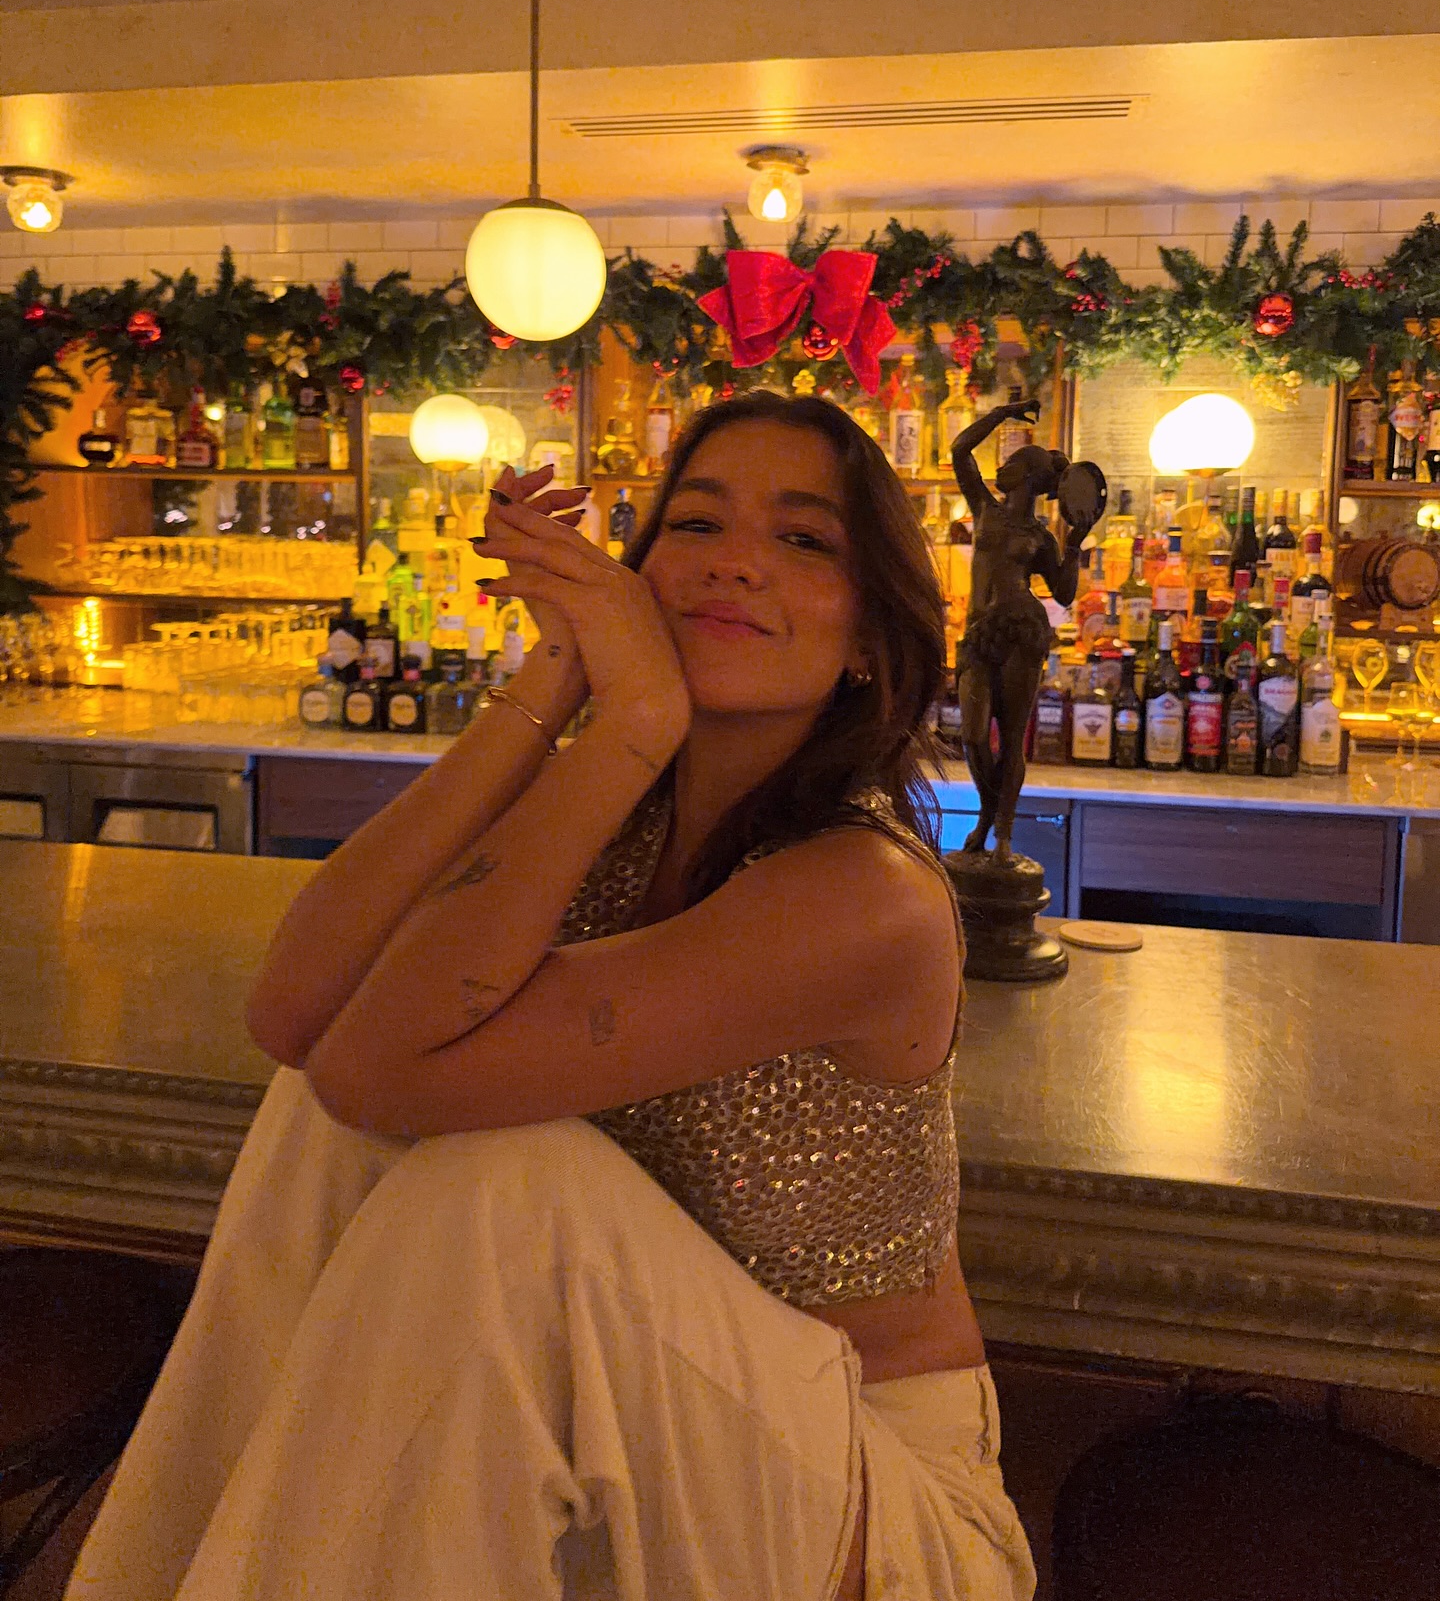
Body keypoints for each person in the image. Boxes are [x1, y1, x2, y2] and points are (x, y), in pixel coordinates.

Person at [66, 392, 1035, 1601]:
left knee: (508, 1186)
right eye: (696, 524)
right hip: (642, 1423)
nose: (735, 561)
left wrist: (633, 716)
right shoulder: (614, 808)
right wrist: (566, 678)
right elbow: (301, 1017)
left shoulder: (861, 894)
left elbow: (374, 1068)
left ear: (869, 645)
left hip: (879, 1501)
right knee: (318, 1125)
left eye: (802, 539)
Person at [949, 400, 1085, 862]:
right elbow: (960, 450)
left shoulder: (1041, 538)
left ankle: (1001, 833)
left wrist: (1075, 545)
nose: (1000, 468)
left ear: (1026, 476)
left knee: (1011, 738)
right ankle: (989, 811)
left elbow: (1063, 594)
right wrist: (1003, 412)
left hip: (1022, 630)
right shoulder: (985, 509)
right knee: (972, 735)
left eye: (1010, 464)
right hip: (979, 631)